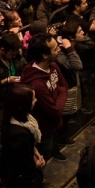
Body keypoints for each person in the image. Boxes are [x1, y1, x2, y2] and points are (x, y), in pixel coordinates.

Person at [20, 33, 68, 162]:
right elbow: (55, 110)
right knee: (44, 155)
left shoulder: (53, 65)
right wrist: (62, 93)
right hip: (44, 128)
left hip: (54, 123)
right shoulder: (37, 84)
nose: (59, 48)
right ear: (45, 55)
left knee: (52, 144)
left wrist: (61, 93)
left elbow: (64, 86)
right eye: (54, 48)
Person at [0, 84, 45, 188]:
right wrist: (36, 165)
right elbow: (23, 164)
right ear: (23, 104)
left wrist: (36, 152)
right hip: (21, 177)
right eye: (33, 99)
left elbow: (29, 146)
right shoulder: (18, 134)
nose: (36, 101)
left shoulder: (16, 117)